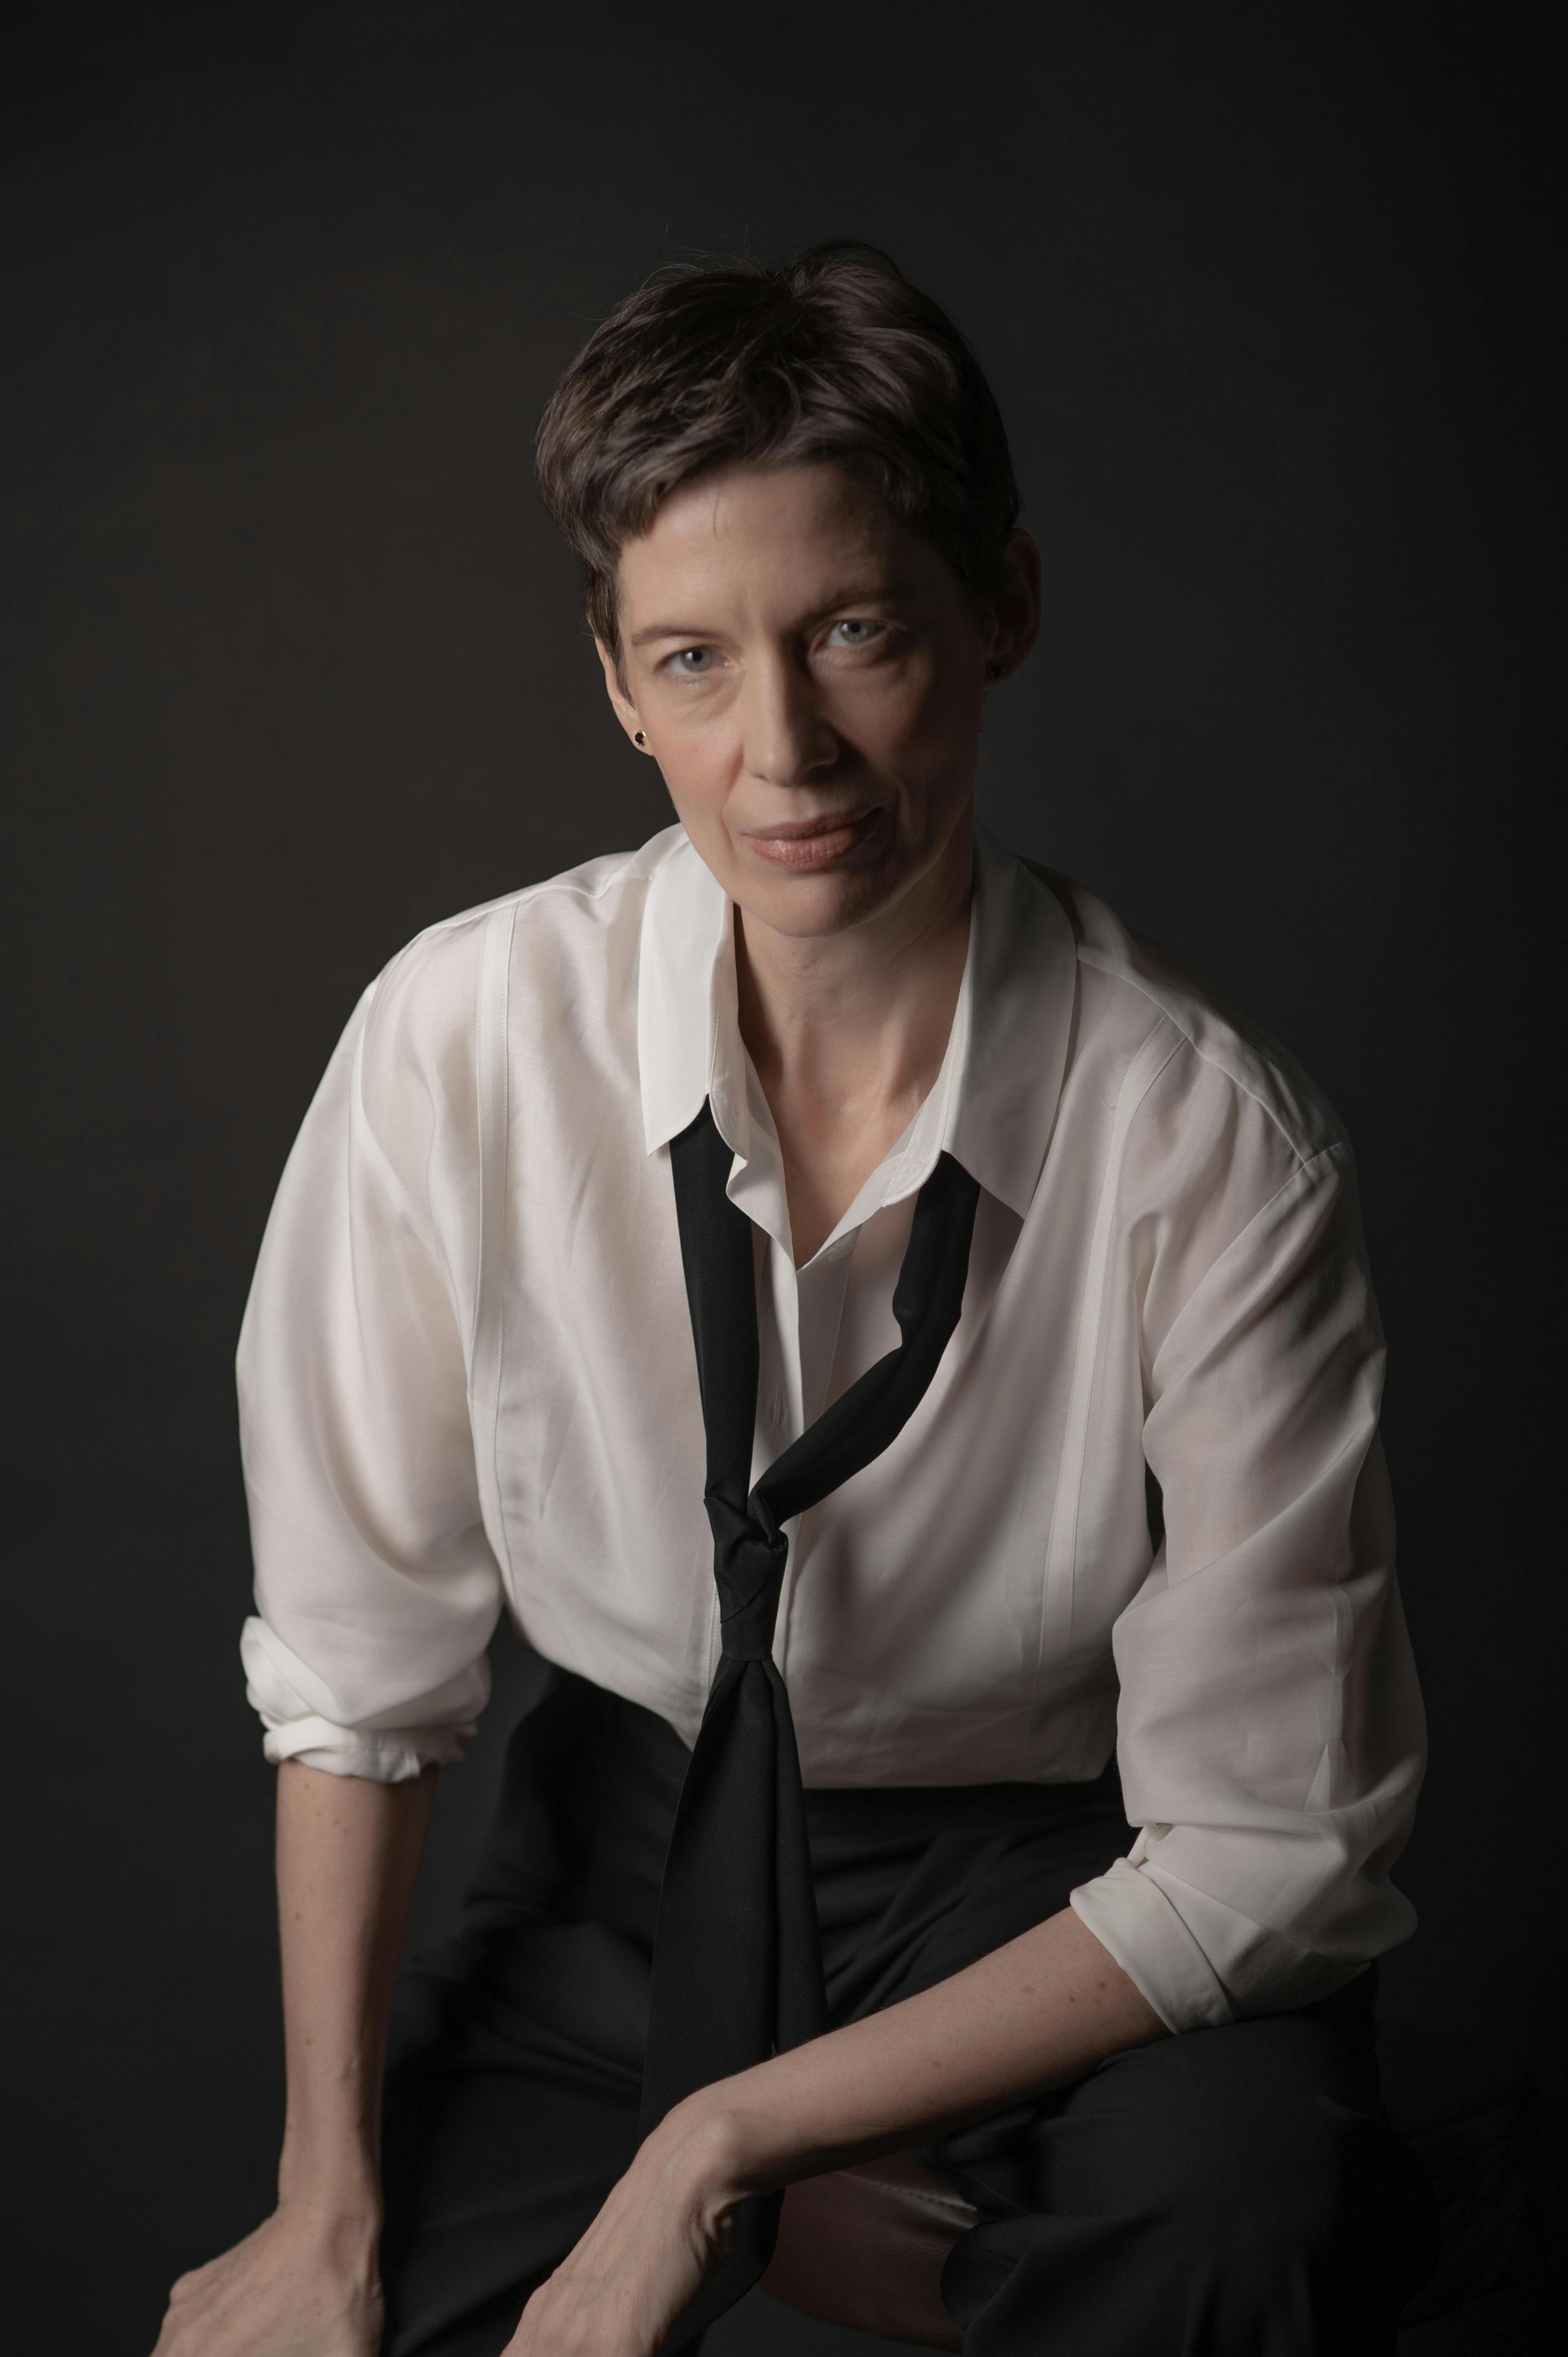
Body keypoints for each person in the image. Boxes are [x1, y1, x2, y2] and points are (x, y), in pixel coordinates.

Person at [153, 245, 1436, 2357]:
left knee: (1243, 2228)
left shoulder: (1212, 1138)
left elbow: (1271, 1847)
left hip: (1048, 1865)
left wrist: (719, 2142)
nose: (785, 752)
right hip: (619, 1857)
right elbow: (361, 1681)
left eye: (854, 632)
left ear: (998, 612)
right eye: (693, 658)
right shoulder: (460, 1040)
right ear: (614, 680)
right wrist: (324, 2206)